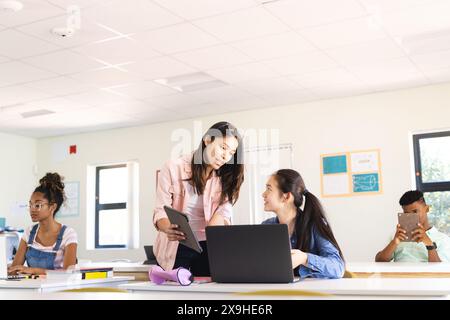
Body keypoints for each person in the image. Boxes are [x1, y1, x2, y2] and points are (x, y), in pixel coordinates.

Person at [153, 121, 244, 276]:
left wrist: (218, 229)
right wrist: (168, 227)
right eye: (223, 148)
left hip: (208, 245)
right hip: (177, 244)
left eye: (231, 152)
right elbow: (161, 209)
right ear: (207, 140)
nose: (225, 156)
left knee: (210, 291)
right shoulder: (173, 167)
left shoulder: (226, 176)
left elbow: (223, 212)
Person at [261, 169, 345, 279]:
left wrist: (305, 258)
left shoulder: (315, 224)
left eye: (269, 189)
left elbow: (338, 267)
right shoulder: (266, 226)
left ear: (286, 197)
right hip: (278, 293)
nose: (263, 194)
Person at [8, 173, 78, 275]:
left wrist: (34, 271)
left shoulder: (68, 234)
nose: (32, 209)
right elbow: (14, 270)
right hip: (32, 289)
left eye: (38, 205)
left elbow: (68, 273)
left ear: (52, 207)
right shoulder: (29, 232)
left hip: (57, 290)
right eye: (30, 204)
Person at [375, 190, 450, 262]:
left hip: (425, 275)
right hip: (400, 274)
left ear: (427, 209)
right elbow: (379, 260)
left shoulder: (442, 239)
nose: (411, 216)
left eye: (415, 211)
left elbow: (440, 269)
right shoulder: (398, 235)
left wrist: (429, 244)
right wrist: (394, 242)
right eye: (407, 213)